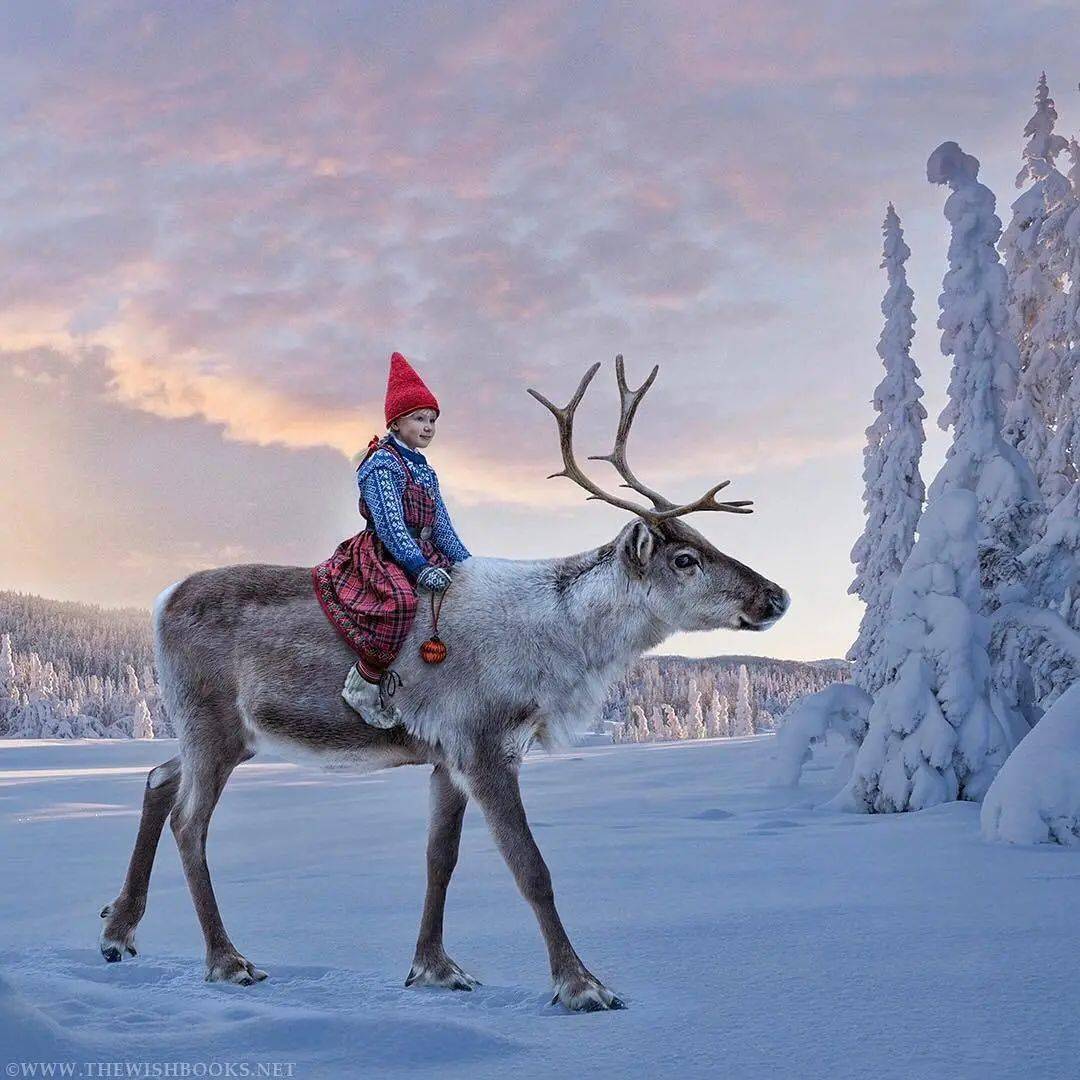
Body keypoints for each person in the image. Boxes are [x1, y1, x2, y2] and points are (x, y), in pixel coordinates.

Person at [312, 352, 471, 728]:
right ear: (396, 422)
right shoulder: (380, 465)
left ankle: (435, 686)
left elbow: (443, 527)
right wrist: (419, 567)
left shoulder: (424, 470)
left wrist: (470, 567)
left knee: (462, 602)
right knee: (399, 603)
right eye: (419, 418)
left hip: (425, 550)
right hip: (386, 554)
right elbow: (391, 528)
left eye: (432, 419)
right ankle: (364, 683)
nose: (429, 426)